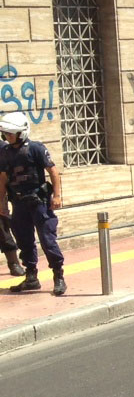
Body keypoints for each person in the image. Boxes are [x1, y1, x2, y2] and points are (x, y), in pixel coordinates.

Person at [0, 111, 65, 295]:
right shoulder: (4, 153)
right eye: (5, 134)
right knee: (24, 241)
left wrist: (57, 196)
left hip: (39, 203)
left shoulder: (36, 148)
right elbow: (3, 179)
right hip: (19, 204)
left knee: (47, 240)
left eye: (10, 133)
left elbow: (53, 172)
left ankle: (58, 276)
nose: (7, 137)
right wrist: (2, 203)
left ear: (22, 132)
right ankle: (31, 277)